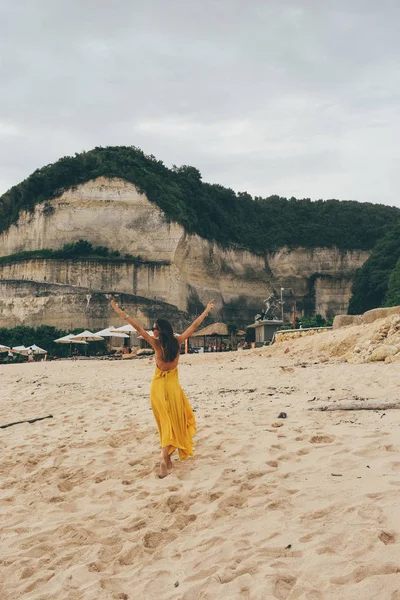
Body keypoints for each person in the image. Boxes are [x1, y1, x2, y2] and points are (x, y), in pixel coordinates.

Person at [110, 298, 215, 478]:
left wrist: (122, 314)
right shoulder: (178, 342)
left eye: (155, 328)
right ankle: (166, 459)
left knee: (165, 423)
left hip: (158, 388)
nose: (152, 330)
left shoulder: (155, 344)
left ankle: (163, 457)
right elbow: (194, 326)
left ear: (161, 330)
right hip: (173, 389)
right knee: (175, 421)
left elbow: (138, 329)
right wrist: (206, 310)